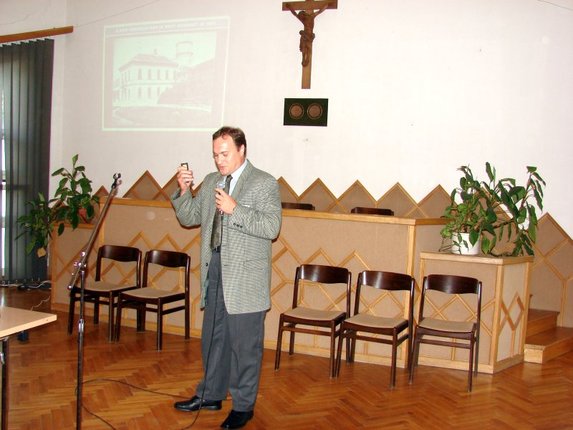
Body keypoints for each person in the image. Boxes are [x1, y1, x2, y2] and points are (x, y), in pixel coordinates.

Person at [171, 126, 282, 429]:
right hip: (215, 269)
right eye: (215, 155)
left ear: (242, 150)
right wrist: (183, 192)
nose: (219, 160)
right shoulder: (210, 182)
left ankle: (243, 406)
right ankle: (210, 394)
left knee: (245, 346)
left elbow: (271, 227)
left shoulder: (263, 183)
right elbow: (189, 217)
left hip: (245, 277)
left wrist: (236, 210)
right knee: (213, 339)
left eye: (225, 154)